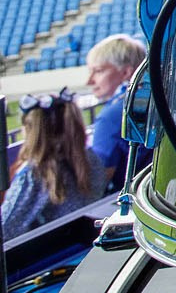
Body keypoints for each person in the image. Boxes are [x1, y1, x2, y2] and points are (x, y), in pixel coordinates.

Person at [3, 91, 102, 237]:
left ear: (30, 130)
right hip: (81, 244)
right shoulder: (90, 158)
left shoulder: (34, 174)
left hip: (51, 254)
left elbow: (5, 229)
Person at [83, 33, 146, 190]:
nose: (89, 81)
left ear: (125, 73)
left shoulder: (112, 115)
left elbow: (95, 183)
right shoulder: (153, 98)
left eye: (98, 71)